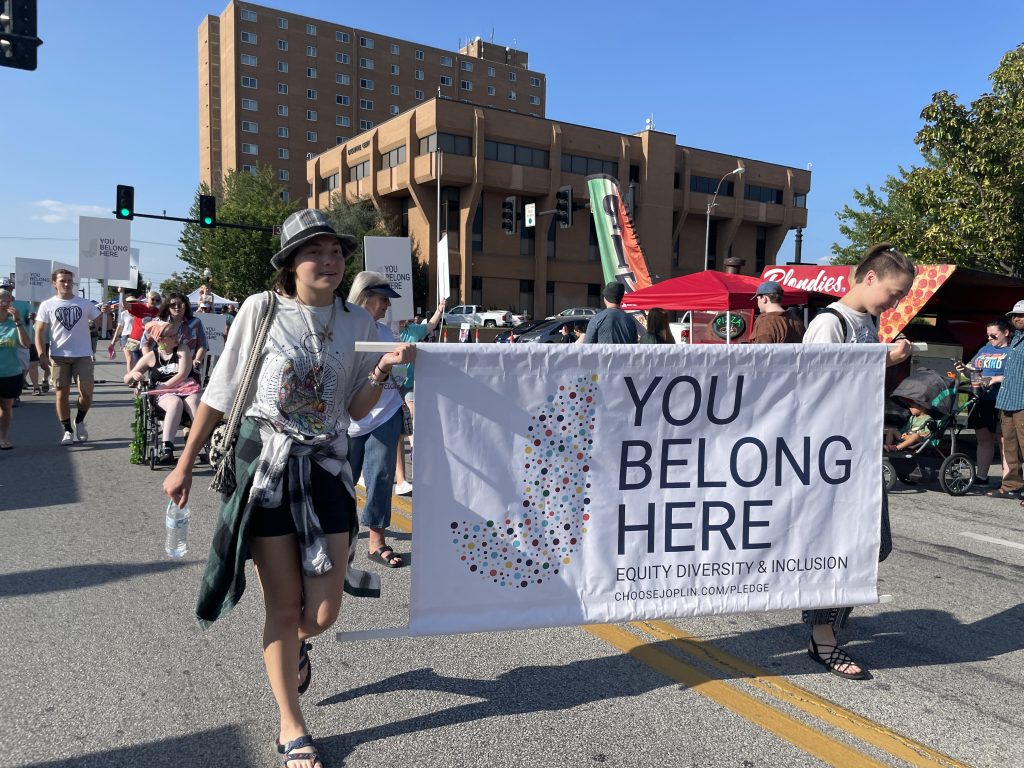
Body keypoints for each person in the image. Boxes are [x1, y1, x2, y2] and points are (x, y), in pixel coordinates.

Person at [163, 209, 413, 768]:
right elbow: (222, 391)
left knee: (321, 613)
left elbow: (352, 410)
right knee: (282, 604)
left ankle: (296, 644)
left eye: (335, 252)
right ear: (290, 264)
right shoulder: (262, 309)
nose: (328, 261)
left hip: (326, 471)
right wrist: (183, 465)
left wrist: (383, 370)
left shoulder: (359, 323)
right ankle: (290, 724)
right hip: (268, 470)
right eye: (314, 252)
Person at [801, 242, 915, 680]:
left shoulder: (868, 322)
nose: (897, 302)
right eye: (894, 292)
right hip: (830, 456)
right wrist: (882, 358)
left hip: (859, 451)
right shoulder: (829, 324)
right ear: (870, 279)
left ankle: (823, 623)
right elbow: (814, 389)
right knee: (840, 548)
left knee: (873, 545)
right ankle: (823, 634)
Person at [347, 271, 406, 567]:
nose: (386, 306)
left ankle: (376, 541)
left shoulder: (385, 334)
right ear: (365, 296)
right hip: (347, 420)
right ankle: (338, 537)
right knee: (340, 479)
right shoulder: (342, 328)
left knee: (382, 477)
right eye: (383, 299)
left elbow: (399, 371)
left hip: (385, 413)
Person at [35, 269, 101, 445]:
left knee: (86, 392)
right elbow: (39, 332)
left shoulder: (85, 303)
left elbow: (102, 323)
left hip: (83, 355)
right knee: (61, 394)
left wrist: (107, 314)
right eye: (62, 281)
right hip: (58, 356)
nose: (66, 284)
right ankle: (67, 430)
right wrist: (41, 354)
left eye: (69, 281)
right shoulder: (47, 305)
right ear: (54, 283)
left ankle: (79, 421)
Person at [125, 320, 202, 464]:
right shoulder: (151, 356)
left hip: (185, 387)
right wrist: (133, 376)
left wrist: (163, 386)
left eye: (176, 334)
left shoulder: (182, 349)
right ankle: (167, 447)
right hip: (165, 395)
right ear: (160, 339)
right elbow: (127, 378)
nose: (176, 338)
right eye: (172, 336)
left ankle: (201, 443)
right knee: (174, 402)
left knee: (193, 402)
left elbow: (183, 374)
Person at [393, 298, 445, 496]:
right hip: (390, 384)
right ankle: (398, 477)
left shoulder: (413, 330)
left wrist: (439, 310)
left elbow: (430, 325)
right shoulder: (386, 331)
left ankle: (416, 454)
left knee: (414, 420)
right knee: (396, 430)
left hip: (410, 384)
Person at [955, 319, 1011, 487]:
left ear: (1006, 333)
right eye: (987, 335)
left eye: (993, 335)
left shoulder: (1013, 351)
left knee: (1004, 441)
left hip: (1001, 399)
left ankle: (1008, 480)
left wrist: (995, 378)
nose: (989, 338)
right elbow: (974, 372)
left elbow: (1017, 376)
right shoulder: (984, 349)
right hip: (981, 399)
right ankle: (982, 476)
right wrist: (963, 369)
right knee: (984, 439)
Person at [991, 302, 1024, 500]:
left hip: (1022, 401)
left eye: (1021, 315)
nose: (1016, 318)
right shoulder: (1015, 340)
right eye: (1014, 316)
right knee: (1010, 447)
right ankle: (1012, 485)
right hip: (1007, 399)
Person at [0, 289, 32, 449]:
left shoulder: (14, 323)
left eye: (6, 299)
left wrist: (18, 321)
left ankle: (3, 437)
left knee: (6, 407)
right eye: (0, 299)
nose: (3, 302)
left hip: (10, 373)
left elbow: (26, 344)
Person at [120, 288, 161, 364]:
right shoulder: (140, 306)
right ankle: (131, 375)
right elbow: (125, 305)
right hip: (134, 339)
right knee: (131, 361)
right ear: (147, 298)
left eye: (157, 300)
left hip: (148, 341)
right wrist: (122, 293)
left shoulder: (158, 312)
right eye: (153, 299)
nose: (155, 301)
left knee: (148, 362)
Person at [108, 300, 135, 374]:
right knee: (129, 359)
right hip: (126, 336)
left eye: (133, 302)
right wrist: (113, 342)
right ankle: (131, 379)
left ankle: (137, 379)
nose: (131, 303)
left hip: (137, 337)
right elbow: (119, 328)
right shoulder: (123, 314)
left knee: (137, 359)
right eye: (129, 302)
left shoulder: (139, 313)